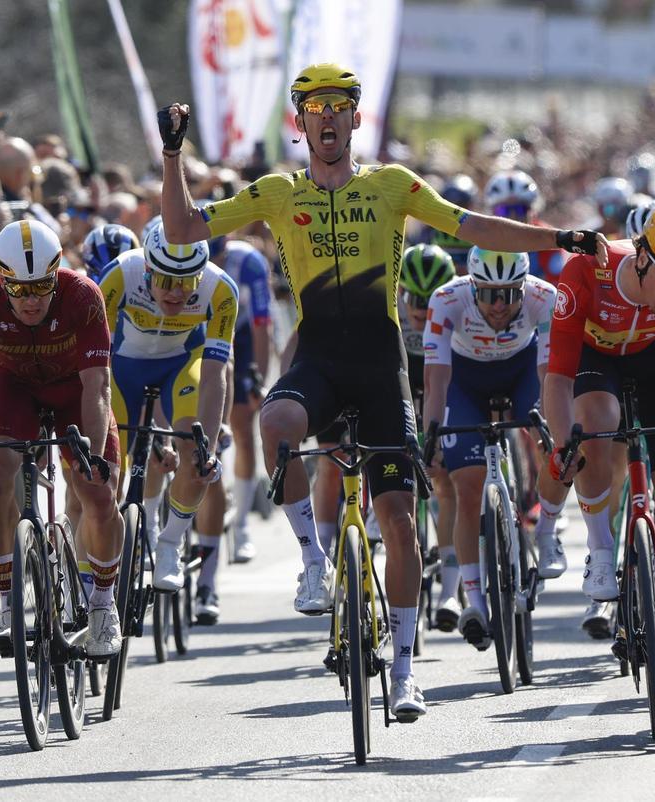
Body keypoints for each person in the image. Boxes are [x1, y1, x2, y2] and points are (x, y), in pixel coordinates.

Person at [155, 62, 605, 722]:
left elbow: (472, 227)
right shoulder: (278, 193)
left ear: (356, 118)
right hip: (317, 361)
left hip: (378, 367)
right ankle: (312, 560)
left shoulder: (392, 186)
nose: (328, 116)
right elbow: (183, 230)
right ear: (301, 121)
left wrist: (560, 239)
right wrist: (173, 157)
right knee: (276, 424)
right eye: (315, 107)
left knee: (397, 520)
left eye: (340, 105)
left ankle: (401, 672)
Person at [543, 202, 655, 710]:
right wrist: (563, 446)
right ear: (641, 256)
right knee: (595, 425)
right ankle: (601, 550)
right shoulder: (587, 270)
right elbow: (556, 379)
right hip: (593, 359)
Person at [0, 220, 123, 657]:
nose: (31, 299)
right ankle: (7, 604)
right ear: (1, 278)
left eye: (41, 286)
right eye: (18, 289)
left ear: (56, 272)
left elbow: (98, 386)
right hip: (14, 387)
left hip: (75, 390)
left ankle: (102, 603)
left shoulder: (83, 295)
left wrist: (93, 456)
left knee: (97, 492)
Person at [421, 247, 566, 650]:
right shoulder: (447, 300)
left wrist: (549, 427)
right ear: (473, 287)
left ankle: (545, 529)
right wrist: (430, 432)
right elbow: (436, 378)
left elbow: (548, 373)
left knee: (546, 438)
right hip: (465, 380)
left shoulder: (544, 297)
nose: (500, 305)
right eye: (488, 295)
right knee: (467, 487)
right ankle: (475, 600)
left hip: (522, 372)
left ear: (524, 287)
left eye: (509, 294)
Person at [99, 224, 236, 607]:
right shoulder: (119, 274)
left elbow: (214, 374)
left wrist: (205, 446)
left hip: (182, 365)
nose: (177, 292)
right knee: (107, 469)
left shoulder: (220, 288)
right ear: (146, 270)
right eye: (165, 280)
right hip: (121, 368)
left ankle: (170, 543)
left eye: (187, 281)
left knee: (196, 457)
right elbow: (93, 364)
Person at [397, 244, 460, 629]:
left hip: (444, 382)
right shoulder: (389, 312)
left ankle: (450, 591)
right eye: (413, 298)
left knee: (446, 479)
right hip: (402, 383)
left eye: (429, 299)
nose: (421, 308)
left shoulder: (454, 310)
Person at [212, 233, 273, 565]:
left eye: (217, 260)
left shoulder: (247, 261)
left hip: (243, 335)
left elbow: (263, 325)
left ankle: (243, 523)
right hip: (199, 329)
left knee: (243, 426)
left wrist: (258, 380)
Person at [483, 169, 567, 283]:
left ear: (533, 210)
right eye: (503, 210)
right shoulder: (481, 239)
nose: (512, 216)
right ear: (492, 212)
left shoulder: (550, 240)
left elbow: (558, 285)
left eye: (520, 209)